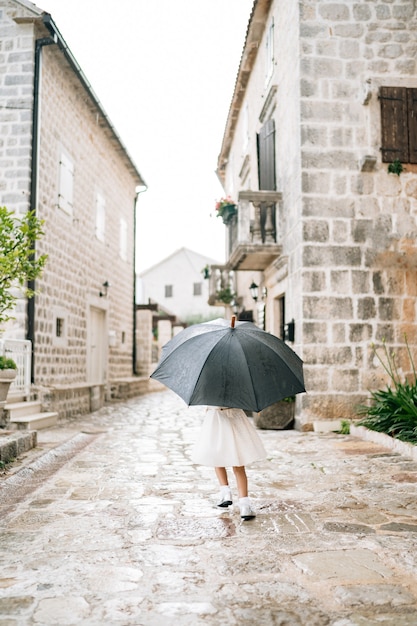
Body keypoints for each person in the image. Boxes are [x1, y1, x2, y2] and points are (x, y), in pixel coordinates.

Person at [191, 406, 267, 521]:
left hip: (215, 417)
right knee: (238, 462)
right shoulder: (238, 387)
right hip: (235, 417)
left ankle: (225, 493)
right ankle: (245, 505)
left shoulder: (209, 388)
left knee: (216, 456)